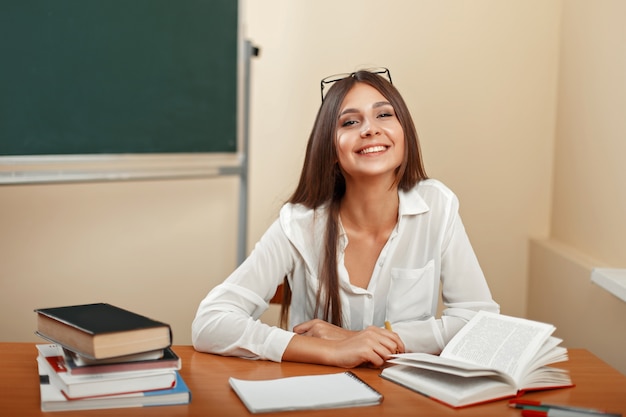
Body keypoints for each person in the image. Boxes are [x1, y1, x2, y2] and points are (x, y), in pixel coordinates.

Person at [192, 68, 499, 369]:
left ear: (405, 132)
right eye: (350, 122)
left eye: (384, 115)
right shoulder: (299, 223)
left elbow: (481, 323)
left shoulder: (437, 205)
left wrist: (359, 339)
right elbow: (210, 323)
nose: (370, 129)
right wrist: (330, 351)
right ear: (330, 149)